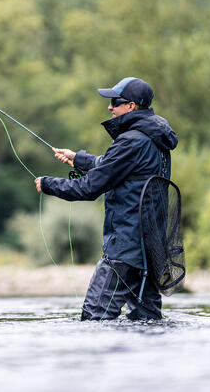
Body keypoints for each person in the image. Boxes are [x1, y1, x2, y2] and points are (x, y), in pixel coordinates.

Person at [34, 77, 178, 321]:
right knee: (148, 322)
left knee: (94, 319)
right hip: (151, 250)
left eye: (115, 102)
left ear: (131, 106)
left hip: (124, 250)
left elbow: (88, 188)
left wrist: (49, 184)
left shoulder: (131, 141)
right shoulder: (153, 139)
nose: (110, 107)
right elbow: (116, 165)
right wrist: (77, 158)